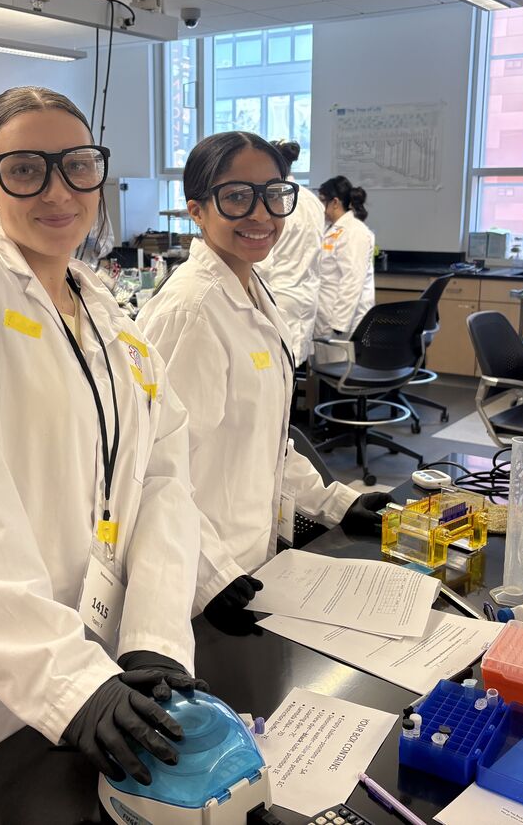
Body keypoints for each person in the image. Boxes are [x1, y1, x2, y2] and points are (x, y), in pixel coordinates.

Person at [0, 86, 207, 814]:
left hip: (109, 663)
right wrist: (66, 683)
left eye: (78, 166)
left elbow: (162, 482)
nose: (58, 191)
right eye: (26, 170)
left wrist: (152, 637)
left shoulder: (113, 318)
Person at [137, 132, 393, 632]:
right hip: (197, 587)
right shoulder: (193, 311)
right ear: (197, 209)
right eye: (236, 197)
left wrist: (335, 503)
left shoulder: (253, 291)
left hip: (252, 565)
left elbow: (269, 440)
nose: (261, 214)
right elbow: (150, 467)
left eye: (273, 194)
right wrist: (208, 574)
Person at [253, 140, 323, 366]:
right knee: (289, 369)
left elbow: (261, 260)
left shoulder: (277, 199)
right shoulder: (312, 201)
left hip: (278, 295)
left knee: (275, 372)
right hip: (305, 294)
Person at [314, 175, 375, 349]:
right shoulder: (331, 229)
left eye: (322, 201)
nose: (320, 207)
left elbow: (352, 280)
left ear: (334, 202)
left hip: (343, 323)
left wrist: (339, 324)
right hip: (326, 315)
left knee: (341, 370)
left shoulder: (354, 232)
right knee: (327, 369)